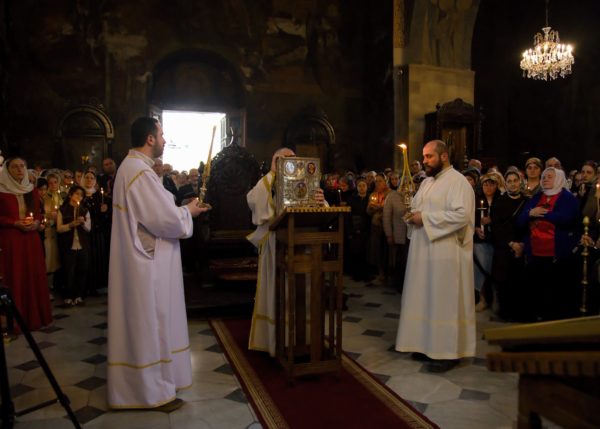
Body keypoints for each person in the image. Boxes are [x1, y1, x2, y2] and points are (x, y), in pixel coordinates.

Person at [107, 117, 209, 412]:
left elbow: (155, 210)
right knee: (151, 323)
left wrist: (181, 209)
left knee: (145, 324)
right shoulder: (139, 172)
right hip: (147, 265)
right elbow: (163, 219)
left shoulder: (132, 168)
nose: (164, 140)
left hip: (143, 259)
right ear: (150, 138)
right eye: (162, 134)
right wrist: (189, 212)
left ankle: (150, 385)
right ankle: (150, 391)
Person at [395, 140, 476, 373]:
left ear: (444, 156)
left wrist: (425, 218)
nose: (425, 161)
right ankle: (423, 344)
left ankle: (448, 352)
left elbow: (462, 216)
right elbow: (418, 209)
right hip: (423, 250)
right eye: (424, 156)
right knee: (424, 297)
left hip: (446, 253)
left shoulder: (458, 182)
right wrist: (411, 216)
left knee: (443, 301)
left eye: (429, 156)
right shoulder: (426, 182)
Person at [246, 147, 326, 356]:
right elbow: (254, 201)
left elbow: (322, 210)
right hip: (277, 245)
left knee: (303, 294)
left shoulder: (307, 180)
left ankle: (304, 340)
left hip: (304, 245)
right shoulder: (266, 183)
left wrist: (321, 201)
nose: (286, 163)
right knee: (278, 292)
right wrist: (273, 172)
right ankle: (277, 341)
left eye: (291, 159)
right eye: (280, 159)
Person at [517, 167, 580, 320]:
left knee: (554, 289)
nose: (545, 179)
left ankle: (552, 320)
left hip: (557, 252)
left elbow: (566, 218)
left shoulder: (568, 198)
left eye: (549, 177)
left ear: (559, 179)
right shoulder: (537, 197)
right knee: (536, 288)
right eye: (544, 177)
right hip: (535, 251)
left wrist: (542, 214)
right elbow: (520, 221)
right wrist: (530, 213)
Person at [0, 158, 52, 333]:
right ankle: (14, 320)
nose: (19, 169)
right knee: (15, 275)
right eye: (14, 167)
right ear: (7, 170)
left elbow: (37, 214)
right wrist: (14, 223)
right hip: (11, 239)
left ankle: (34, 317)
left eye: (22, 166)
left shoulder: (31, 190)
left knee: (32, 274)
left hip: (30, 239)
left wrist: (36, 223)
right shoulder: (1, 190)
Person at [56, 185, 91, 306]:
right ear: (71, 194)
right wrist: (71, 225)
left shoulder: (85, 210)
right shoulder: (63, 210)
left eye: (81, 195)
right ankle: (68, 296)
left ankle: (79, 295)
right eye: (76, 194)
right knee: (68, 271)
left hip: (82, 245)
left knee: (82, 270)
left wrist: (82, 223)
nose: (79, 197)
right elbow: (59, 228)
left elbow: (88, 228)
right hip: (68, 245)